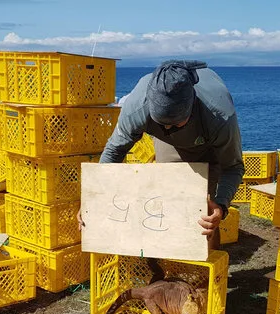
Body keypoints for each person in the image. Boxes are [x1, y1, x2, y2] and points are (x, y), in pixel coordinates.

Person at [79, 60, 244, 249]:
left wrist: (221, 206)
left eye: (175, 124)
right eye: (162, 122)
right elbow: (114, 150)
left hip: (207, 145)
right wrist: (92, 200)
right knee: (168, 202)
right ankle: (168, 268)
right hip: (167, 142)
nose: (168, 127)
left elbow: (233, 167)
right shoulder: (136, 107)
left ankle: (205, 270)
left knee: (202, 213)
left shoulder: (219, 116)